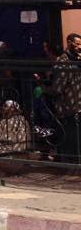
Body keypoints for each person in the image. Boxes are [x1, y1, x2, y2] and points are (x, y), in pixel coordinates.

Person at [53, 33, 81, 161]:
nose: (79, 46)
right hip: (69, 104)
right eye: (77, 43)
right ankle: (70, 162)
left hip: (78, 101)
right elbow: (59, 86)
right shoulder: (63, 60)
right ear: (69, 43)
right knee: (70, 135)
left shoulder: (77, 58)